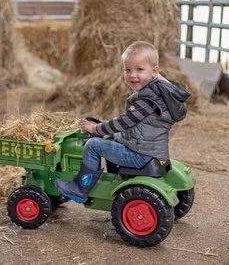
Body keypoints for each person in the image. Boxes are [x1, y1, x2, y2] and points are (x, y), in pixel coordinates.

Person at [55, 41, 190, 203]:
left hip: (140, 155)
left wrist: (96, 128)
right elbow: (131, 125)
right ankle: (114, 175)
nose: (133, 75)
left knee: (93, 145)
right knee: (111, 137)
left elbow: (123, 122)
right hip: (151, 150)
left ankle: (80, 189)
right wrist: (107, 130)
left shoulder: (147, 100)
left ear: (154, 72)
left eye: (140, 69)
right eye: (128, 70)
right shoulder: (160, 92)